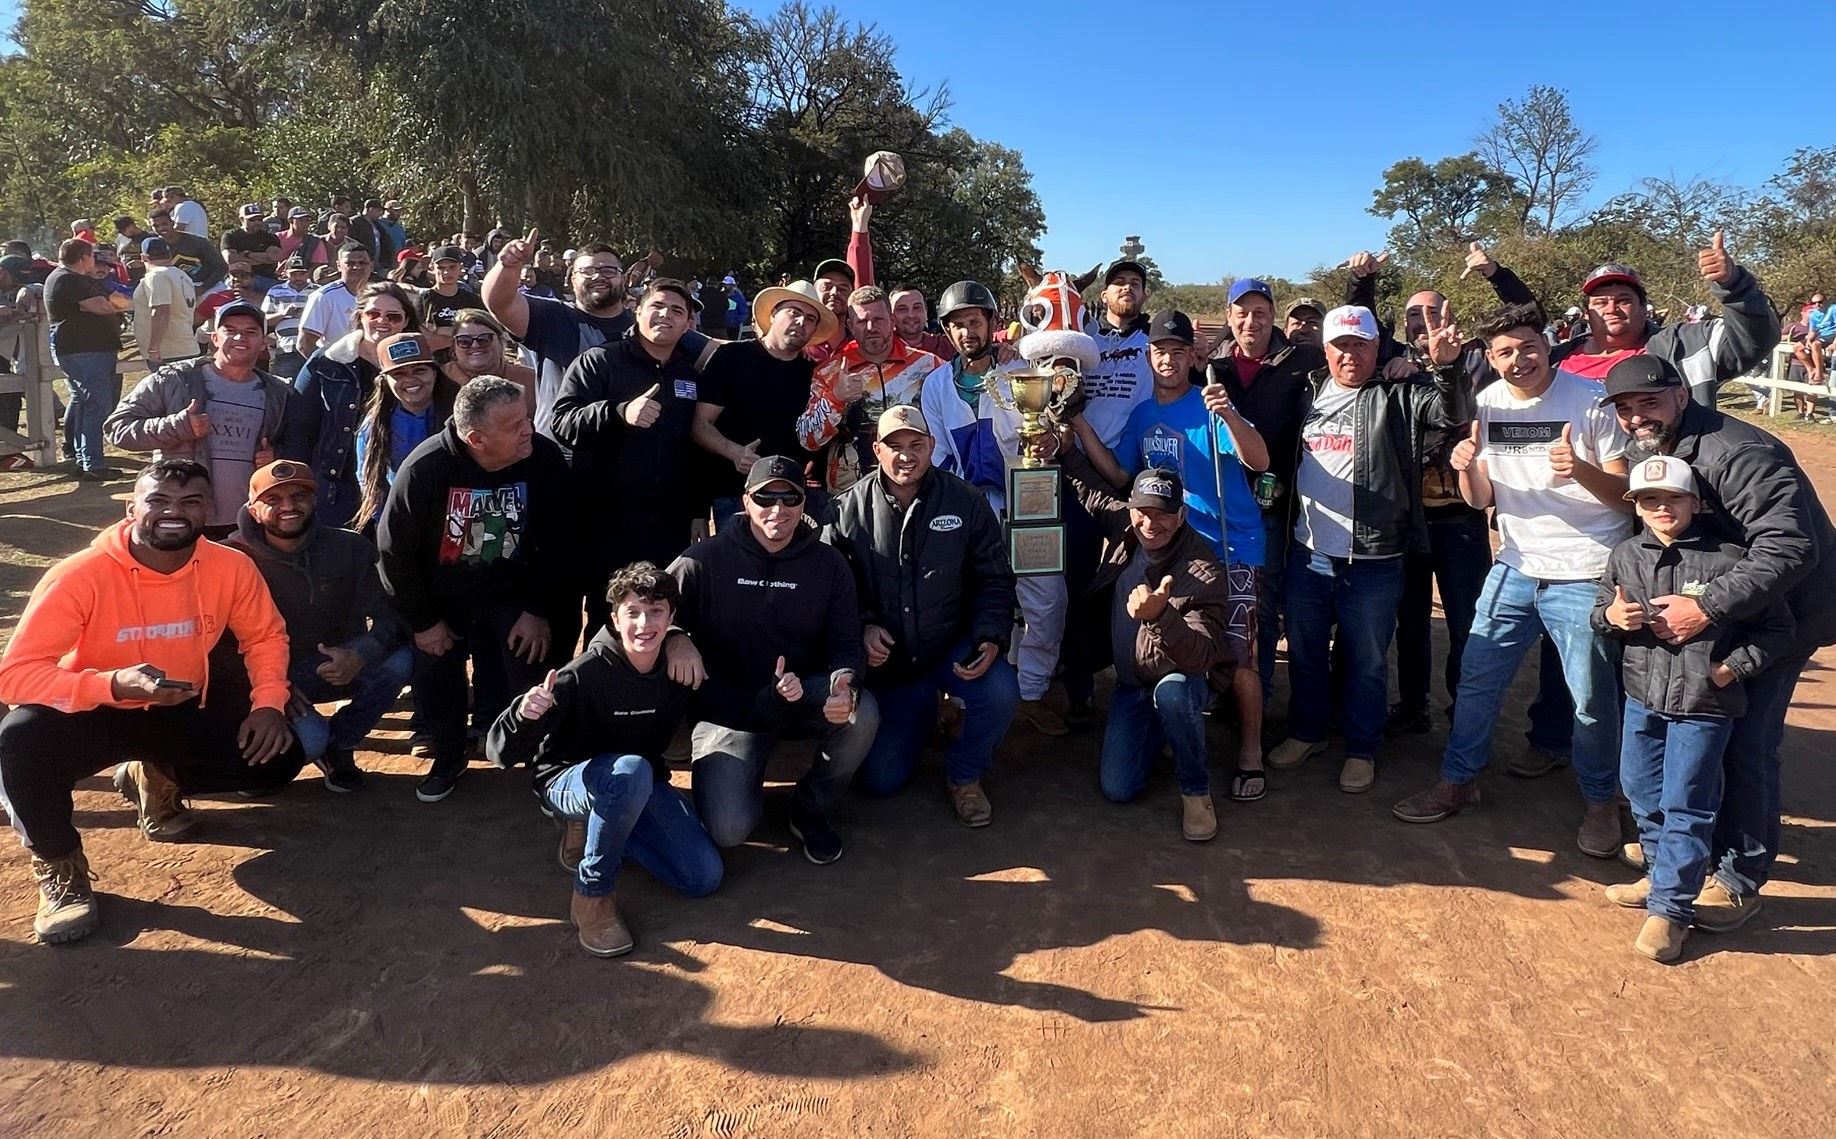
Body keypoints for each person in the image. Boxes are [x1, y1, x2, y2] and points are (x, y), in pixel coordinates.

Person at [0, 459, 302, 945]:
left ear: (209, 509)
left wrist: (268, 703)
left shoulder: (231, 566)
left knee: (277, 759)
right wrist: (112, 684)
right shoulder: (80, 574)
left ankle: (157, 774)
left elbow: (264, 637)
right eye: (158, 500)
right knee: (19, 739)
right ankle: (60, 867)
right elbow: (14, 675)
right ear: (131, 507)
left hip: (181, 703)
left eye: (189, 502)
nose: (173, 512)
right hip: (94, 709)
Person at [1603, 354, 1836, 932]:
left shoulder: (1739, 453)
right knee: (1687, 754)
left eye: (1649, 402)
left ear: (1682, 396)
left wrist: (1706, 606)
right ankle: (1680, 865)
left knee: (1748, 745)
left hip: (1782, 616)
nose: (1636, 417)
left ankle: (1738, 878)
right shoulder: (1653, 446)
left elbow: (1788, 547)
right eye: (1625, 409)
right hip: (1718, 613)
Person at [1391, 303, 1633, 857]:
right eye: (1505, 352)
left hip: (1586, 570)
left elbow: (1626, 499)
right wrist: (1465, 466)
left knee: (1590, 698)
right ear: (1490, 358)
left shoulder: (1591, 402)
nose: (1519, 359)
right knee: (1477, 679)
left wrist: (1580, 469)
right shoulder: (1489, 403)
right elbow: (1482, 499)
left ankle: (1602, 802)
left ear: (1547, 345)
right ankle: (1459, 780)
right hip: (1517, 566)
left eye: (1528, 347)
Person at [1591, 454, 1794, 962]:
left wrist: (1731, 668)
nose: (1662, 508)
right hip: (1642, 698)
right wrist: (1612, 617)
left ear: (1697, 504)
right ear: (1635, 507)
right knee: (1641, 791)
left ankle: (1671, 910)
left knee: (1688, 802)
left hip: (1705, 705)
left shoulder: (1730, 560)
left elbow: (1777, 628)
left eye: (1673, 498)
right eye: (1649, 500)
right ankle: (1659, 874)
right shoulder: (1626, 555)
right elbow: (1600, 612)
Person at [1267, 305, 1472, 794]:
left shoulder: (1399, 393)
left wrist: (1445, 368)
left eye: (1360, 345)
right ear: (1326, 349)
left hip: (1374, 557)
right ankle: (1307, 732)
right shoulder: (1309, 391)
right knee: (1306, 653)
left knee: (1368, 659)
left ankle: (1362, 748)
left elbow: (1451, 414)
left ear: (1376, 347)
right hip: (1309, 551)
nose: (1350, 355)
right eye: (1341, 345)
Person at [488, 562, 724, 958]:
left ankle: (604, 828)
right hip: (569, 779)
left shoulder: (678, 667)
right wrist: (523, 715)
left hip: (635, 785)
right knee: (630, 770)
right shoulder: (584, 674)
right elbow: (501, 753)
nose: (644, 624)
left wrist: (778, 697)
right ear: (614, 619)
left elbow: (728, 705)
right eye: (633, 612)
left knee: (702, 877)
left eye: (656, 612)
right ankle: (592, 895)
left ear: (671, 619)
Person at [1076, 309, 1269, 795]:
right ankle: (1171, 720)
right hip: (1172, 547)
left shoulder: (1210, 403)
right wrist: (1076, 424)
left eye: (1178, 351)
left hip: (1229, 543)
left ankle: (1250, 752)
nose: (1168, 360)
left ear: (1191, 355)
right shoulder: (1143, 414)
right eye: (1160, 351)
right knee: (1168, 635)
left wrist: (1229, 414)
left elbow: (1259, 460)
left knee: (1238, 652)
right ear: (1149, 356)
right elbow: (1120, 476)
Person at [666, 456, 879, 863]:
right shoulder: (703, 560)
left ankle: (811, 806)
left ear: (803, 504)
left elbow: (845, 643)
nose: (778, 509)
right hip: (730, 711)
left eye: (790, 498)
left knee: (862, 711)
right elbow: (647, 613)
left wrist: (844, 683)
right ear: (746, 501)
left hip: (800, 696)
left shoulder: (829, 565)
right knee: (728, 829)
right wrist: (676, 638)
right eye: (765, 498)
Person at [377, 377, 575, 803]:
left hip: (512, 595)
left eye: (526, 418)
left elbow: (561, 538)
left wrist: (536, 609)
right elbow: (393, 553)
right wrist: (424, 623)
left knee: (532, 675)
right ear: (476, 439)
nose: (528, 430)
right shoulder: (425, 468)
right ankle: (449, 757)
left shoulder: (541, 457)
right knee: (437, 677)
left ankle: (544, 766)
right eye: (514, 426)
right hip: (440, 599)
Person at [827, 406, 1018, 826]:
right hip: (891, 670)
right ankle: (926, 713)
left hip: (950, 648)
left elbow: (995, 580)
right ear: (876, 449)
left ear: (932, 446)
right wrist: (863, 626)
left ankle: (965, 775)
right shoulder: (844, 510)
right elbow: (831, 594)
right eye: (894, 446)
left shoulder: (966, 501)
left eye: (916, 444)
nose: (906, 455)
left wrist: (990, 637)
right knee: (878, 781)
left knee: (1001, 691)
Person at [918, 278, 1068, 736]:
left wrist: (1050, 441)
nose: (968, 332)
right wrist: (967, 507)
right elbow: (938, 456)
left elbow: (1052, 430)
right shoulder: (936, 385)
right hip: (969, 510)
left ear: (991, 324)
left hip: (1028, 502)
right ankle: (965, 698)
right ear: (948, 331)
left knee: (1047, 599)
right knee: (964, 601)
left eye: (975, 322)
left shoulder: (1021, 372)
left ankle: (1031, 691)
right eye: (958, 325)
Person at [1064, 464, 1233, 840]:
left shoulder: (1203, 571)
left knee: (1172, 694)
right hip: (1131, 683)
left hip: (1181, 679)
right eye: (1143, 511)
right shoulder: (1126, 528)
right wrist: (1064, 450)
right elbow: (1092, 491)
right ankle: (1166, 729)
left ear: (1182, 515)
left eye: (1163, 514)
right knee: (1118, 789)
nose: (1150, 523)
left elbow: (1201, 656)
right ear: (1130, 510)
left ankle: (1196, 791)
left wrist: (1160, 617)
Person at [226, 459, 411, 792]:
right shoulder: (230, 558)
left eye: (299, 496)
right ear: (253, 510)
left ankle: (341, 744)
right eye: (273, 499)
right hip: (267, 678)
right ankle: (305, 745)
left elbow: (389, 616)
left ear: (314, 500)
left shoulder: (351, 547)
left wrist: (360, 654)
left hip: (337, 665)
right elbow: (213, 642)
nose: (288, 506)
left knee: (404, 659)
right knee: (310, 741)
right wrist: (271, 687)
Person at [551, 279, 707, 634]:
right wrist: (618, 413)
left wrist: (699, 510)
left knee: (659, 615)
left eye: (677, 311)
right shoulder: (601, 360)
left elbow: (694, 448)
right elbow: (562, 422)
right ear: (637, 312)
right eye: (657, 306)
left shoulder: (690, 375)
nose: (665, 315)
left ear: (687, 324)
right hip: (605, 525)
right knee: (608, 618)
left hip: (668, 526)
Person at [1200, 279, 1325, 711]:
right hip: (1219, 502)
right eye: (1242, 313)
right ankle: (1218, 689)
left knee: (1262, 606)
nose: (1250, 321)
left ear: (1273, 317)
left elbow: (1359, 356)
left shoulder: (1303, 359)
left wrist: (1401, 361)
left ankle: (1257, 695)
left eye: (1260, 313)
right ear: (1229, 316)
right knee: (1215, 597)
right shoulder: (1214, 364)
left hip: (1275, 502)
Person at [105, 301, 292, 531]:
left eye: (250, 332)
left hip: (249, 521)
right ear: (215, 338)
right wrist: (177, 426)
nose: (239, 338)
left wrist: (277, 456)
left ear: (264, 342)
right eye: (230, 330)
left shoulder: (278, 392)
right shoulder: (175, 378)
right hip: (181, 518)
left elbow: (296, 445)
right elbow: (117, 428)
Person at [1552, 238, 1778, 407]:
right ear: (1587, 313)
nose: (1611, 309)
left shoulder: (1688, 346)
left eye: (1624, 300)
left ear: (1644, 308)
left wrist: (1735, 285)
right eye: (1601, 302)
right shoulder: (1553, 360)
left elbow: (1756, 340)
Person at [692, 279, 834, 525]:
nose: (801, 321)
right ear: (773, 314)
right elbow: (700, 424)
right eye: (794, 312)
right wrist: (735, 453)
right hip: (735, 495)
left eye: (810, 318)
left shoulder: (815, 374)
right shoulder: (730, 358)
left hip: (792, 498)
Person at [292, 281, 423, 527]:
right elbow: (298, 426)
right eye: (373, 314)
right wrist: (296, 485)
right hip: (335, 488)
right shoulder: (327, 361)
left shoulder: (421, 367)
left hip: (398, 487)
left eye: (393, 316)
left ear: (406, 321)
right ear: (360, 316)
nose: (382, 321)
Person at [797, 284, 947, 495]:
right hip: (853, 493)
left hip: (920, 486)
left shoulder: (929, 366)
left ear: (892, 321)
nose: (870, 327)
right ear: (850, 325)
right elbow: (808, 439)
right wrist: (835, 399)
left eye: (878, 319)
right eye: (862, 321)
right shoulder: (829, 372)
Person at [352, 332, 457, 531]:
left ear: (434, 372)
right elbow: (369, 484)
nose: (410, 380)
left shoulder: (460, 415)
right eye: (398, 374)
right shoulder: (372, 425)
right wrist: (387, 527)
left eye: (419, 370)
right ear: (385, 380)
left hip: (455, 523)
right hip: (402, 524)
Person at [45, 239, 131, 479]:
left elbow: (118, 300)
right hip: (83, 351)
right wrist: (108, 305)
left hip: (92, 350)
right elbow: (102, 306)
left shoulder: (83, 280)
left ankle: (80, 456)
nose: (94, 260)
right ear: (84, 257)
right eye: (92, 256)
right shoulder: (67, 280)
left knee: (83, 402)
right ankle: (93, 463)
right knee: (96, 405)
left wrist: (109, 303)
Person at [131, 237, 200, 370]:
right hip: (185, 345)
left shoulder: (156, 276)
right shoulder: (182, 275)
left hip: (168, 351)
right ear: (170, 255)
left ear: (143, 257)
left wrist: (154, 348)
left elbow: (161, 311)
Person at [295, 242, 373, 358]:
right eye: (350, 263)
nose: (357, 267)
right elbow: (305, 344)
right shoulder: (324, 296)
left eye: (362, 263)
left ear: (371, 266)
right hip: (339, 364)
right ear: (339, 265)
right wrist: (329, 367)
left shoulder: (380, 296)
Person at [417, 244, 482, 347]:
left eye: (452, 267)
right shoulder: (424, 300)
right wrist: (462, 333)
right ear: (432, 268)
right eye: (441, 268)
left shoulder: (471, 299)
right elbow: (425, 337)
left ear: (460, 267)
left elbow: (480, 330)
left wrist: (438, 330)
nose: (447, 272)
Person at [148, 209, 227, 293]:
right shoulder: (153, 247)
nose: (161, 228)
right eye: (155, 226)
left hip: (206, 285)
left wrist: (203, 288)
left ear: (172, 223)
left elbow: (221, 267)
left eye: (164, 224)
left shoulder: (198, 242)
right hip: (175, 289)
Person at [263, 256, 315, 380]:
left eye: (302, 274)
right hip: (286, 350)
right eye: (294, 274)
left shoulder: (318, 291)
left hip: (313, 349)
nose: (298, 278)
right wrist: (283, 314)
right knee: (284, 387)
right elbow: (263, 320)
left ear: (308, 273)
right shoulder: (275, 291)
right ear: (286, 273)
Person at [222, 203, 283, 286]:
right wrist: (263, 257)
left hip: (266, 278)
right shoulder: (231, 236)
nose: (257, 222)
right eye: (252, 220)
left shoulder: (269, 237)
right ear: (242, 219)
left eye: (259, 219)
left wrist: (247, 255)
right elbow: (231, 259)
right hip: (238, 278)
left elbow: (275, 257)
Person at [889, 285, 955, 361]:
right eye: (902, 309)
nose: (911, 315)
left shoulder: (946, 346)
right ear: (890, 316)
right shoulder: (882, 349)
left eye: (917, 307)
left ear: (926, 313)